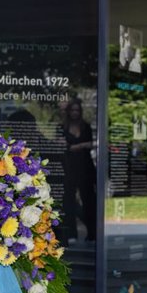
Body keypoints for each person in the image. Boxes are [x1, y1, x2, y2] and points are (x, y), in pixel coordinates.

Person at [62, 99, 97, 242]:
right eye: (72, 110)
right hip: (69, 167)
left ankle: (93, 233)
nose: (75, 113)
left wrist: (78, 146)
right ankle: (71, 233)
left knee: (89, 200)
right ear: (68, 112)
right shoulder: (62, 127)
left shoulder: (86, 127)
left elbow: (91, 144)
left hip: (85, 167)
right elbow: (61, 145)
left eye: (77, 110)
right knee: (68, 200)